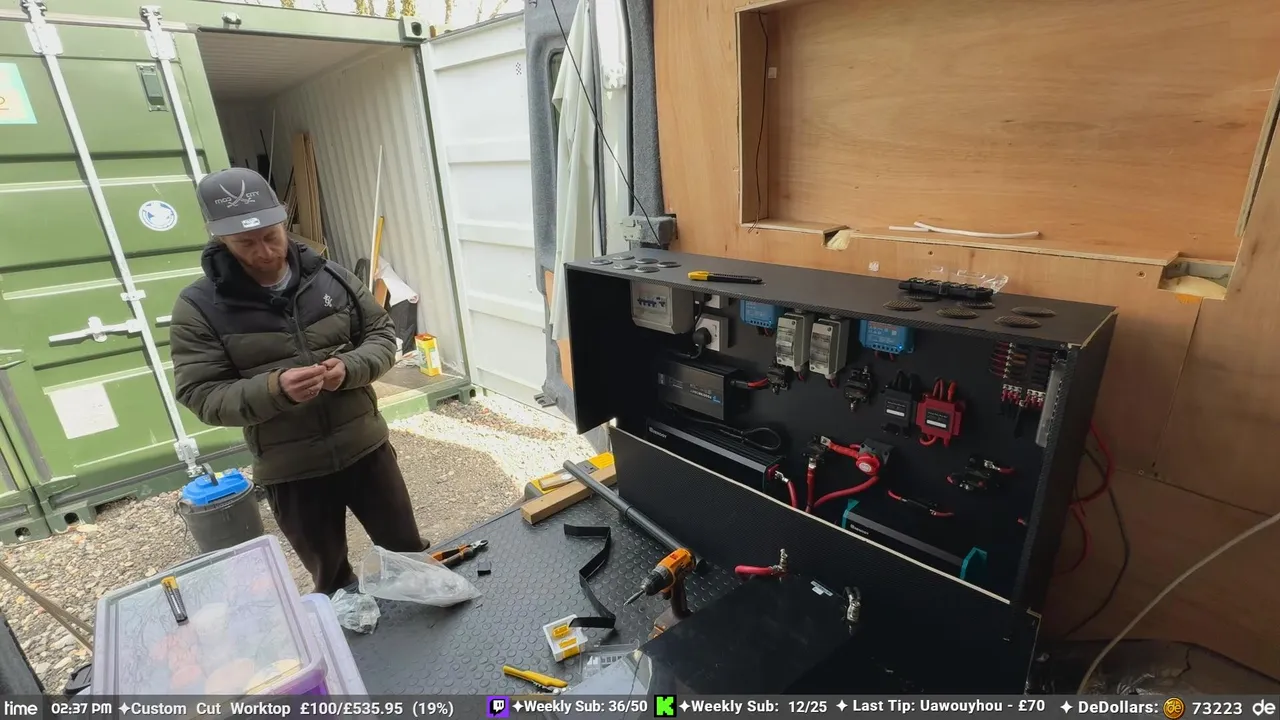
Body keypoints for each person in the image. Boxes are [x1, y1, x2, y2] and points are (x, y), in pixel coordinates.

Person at [169, 167, 429, 594]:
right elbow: (200, 393)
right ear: (219, 239)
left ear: (283, 221)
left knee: (408, 555)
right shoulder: (199, 307)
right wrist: (274, 389)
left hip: (366, 450)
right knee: (332, 580)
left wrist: (349, 367)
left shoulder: (331, 277)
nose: (265, 252)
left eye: (271, 236)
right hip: (292, 470)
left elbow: (382, 335)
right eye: (246, 243)